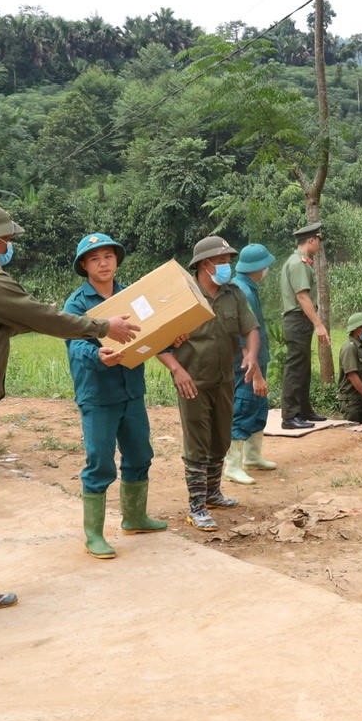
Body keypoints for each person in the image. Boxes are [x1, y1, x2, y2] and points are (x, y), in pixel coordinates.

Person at [0, 205, 139, 641]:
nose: (8, 245)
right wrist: (102, 326)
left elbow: (1, 322)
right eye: (6, 238)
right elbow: (43, 319)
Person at [64, 233, 168, 559]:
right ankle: (94, 535)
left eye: (108, 256)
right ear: (84, 265)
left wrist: (171, 335)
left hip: (131, 390)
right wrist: (97, 355)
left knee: (140, 453)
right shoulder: (77, 305)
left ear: (117, 260)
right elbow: (75, 345)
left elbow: (151, 328)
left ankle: (134, 518)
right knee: (100, 461)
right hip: (98, 395)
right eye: (95, 259)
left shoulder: (130, 297)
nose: (103, 263)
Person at [158, 236, 262, 532]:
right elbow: (157, 341)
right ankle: (197, 506)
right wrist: (177, 369)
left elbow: (251, 328)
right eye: (222, 261)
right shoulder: (181, 296)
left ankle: (213, 493)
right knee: (197, 443)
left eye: (228, 261)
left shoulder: (233, 294)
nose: (227, 266)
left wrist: (251, 355)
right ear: (205, 264)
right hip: (192, 382)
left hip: (224, 379)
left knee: (220, 438)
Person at [225, 243, 276, 486]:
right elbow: (242, 335)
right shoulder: (242, 291)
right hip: (246, 365)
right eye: (265, 265)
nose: (267, 269)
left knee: (258, 405)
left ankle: (252, 457)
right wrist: (255, 374)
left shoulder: (247, 287)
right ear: (258, 267)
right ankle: (233, 465)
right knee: (243, 407)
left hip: (255, 362)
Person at [278, 221, 329, 429]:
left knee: (303, 367)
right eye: (318, 241)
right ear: (311, 240)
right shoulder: (298, 264)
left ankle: (304, 410)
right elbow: (302, 297)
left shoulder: (300, 262)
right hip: (297, 319)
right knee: (296, 367)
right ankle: (290, 416)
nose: (319, 245)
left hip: (300, 320)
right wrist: (319, 324)